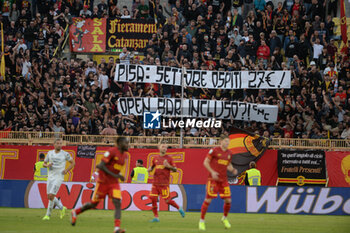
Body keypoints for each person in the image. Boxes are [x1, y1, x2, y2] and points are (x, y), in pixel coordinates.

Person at [71, 137, 129, 233]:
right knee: (94, 204)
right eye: (126, 143)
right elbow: (101, 166)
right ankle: (75, 212)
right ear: (119, 143)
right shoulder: (111, 152)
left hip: (114, 183)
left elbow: (114, 169)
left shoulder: (125, 156)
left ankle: (117, 228)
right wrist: (116, 175)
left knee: (118, 203)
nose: (128, 145)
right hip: (103, 182)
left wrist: (118, 176)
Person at [199, 134, 237, 231]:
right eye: (226, 141)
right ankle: (202, 221)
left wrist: (232, 170)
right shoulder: (214, 151)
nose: (227, 143)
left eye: (228, 142)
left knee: (228, 200)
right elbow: (205, 162)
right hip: (213, 180)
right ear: (221, 141)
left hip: (223, 180)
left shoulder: (229, 153)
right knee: (208, 200)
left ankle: (224, 218)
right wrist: (212, 172)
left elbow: (228, 164)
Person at [148, 142, 185, 222]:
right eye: (163, 147)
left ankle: (179, 208)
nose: (164, 148)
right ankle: (156, 217)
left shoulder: (169, 158)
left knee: (167, 201)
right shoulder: (155, 158)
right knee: (153, 199)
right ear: (159, 148)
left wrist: (168, 166)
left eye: (166, 147)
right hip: (155, 183)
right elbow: (152, 166)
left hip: (164, 184)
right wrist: (150, 169)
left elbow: (175, 169)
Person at [42, 138, 75, 220]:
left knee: (51, 195)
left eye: (61, 143)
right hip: (50, 177)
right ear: (54, 144)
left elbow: (73, 162)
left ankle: (48, 215)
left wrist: (67, 170)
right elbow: (44, 164)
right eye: (58, 143)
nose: (60, 145)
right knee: (49, 197)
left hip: (59, 177)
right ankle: (62, 208)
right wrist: (47, 165)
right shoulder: (50, 153)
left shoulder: (65, 154)